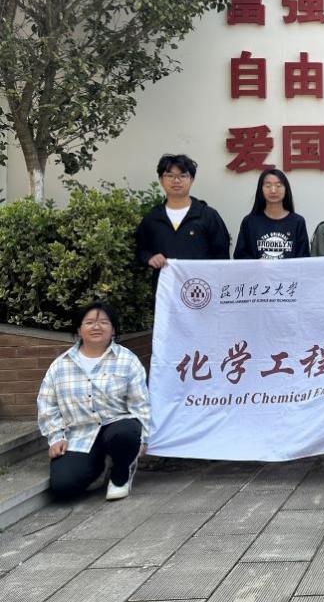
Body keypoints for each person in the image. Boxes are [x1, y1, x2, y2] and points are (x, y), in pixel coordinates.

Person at [37, 302, 150, 501]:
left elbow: (140, 404)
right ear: (79, 330)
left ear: (113, 330)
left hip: (116, 426)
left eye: (103, 322)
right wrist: (56, 437)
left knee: (125, 433)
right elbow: (47, 404)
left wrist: (144, 439)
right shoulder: (60, 366)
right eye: (89, 322)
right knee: (63, 486)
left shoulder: (127, 360)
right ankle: (100, 466)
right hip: (79, 434)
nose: (96, 327)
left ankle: (121, 474)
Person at [135, 153, 230, 288]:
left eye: (182, 176)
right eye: (170, 176)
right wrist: (150, 258)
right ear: (161, 180)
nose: (176, 180)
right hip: (165, 291)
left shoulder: (207, 215)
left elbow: (222, 256)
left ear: (191, 179)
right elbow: (141, 249)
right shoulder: (153, 217)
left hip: (201, 290)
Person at [233, 168, 310, 259]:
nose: (273, 190)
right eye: (268, 185)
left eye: (278, 185)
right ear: (261, 189)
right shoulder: (249, 222)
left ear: (286, 189)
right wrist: (259, 265)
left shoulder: (297, 222)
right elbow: (240, 256)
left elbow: (303, 258)